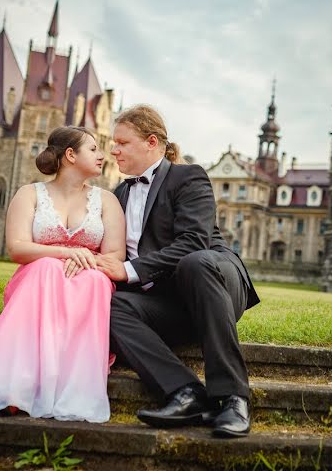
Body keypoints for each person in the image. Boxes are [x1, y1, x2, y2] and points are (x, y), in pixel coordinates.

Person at [0, 126, 126, 423]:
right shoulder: (29, 194)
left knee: (97, 281)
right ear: (70, 155)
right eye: (94, 149)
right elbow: (17, 248)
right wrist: (65, 253)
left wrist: (86, 262)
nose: (102, 155)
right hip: (38, 279)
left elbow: (114, 257)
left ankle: (74, 385)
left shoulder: (107, 200)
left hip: (88, 278)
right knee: (45, 269)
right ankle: (15, 384)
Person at [87, 104, 260, 438]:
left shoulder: (188, 177)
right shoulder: (119, 194)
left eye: (122, 142)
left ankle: (234, 397)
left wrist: (129, 269)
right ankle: (186, 392)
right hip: (167, 303)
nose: (113, 149)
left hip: (214, 285)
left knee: (195, 261)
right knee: (111, 305)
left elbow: (195, 241)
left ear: (151, 142)